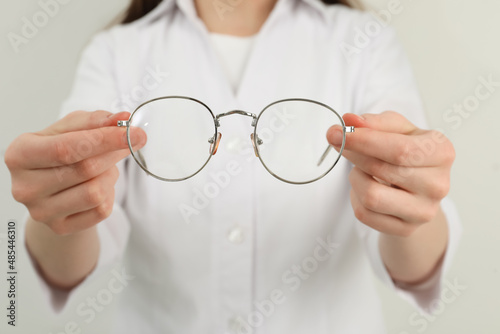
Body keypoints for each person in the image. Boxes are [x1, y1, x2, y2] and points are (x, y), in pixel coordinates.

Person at [5, 0, 461, 333]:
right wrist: (58, 203)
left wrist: (412, 201)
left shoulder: (363, 42)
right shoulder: (116, 52)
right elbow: (67, 265)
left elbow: (413, 264)